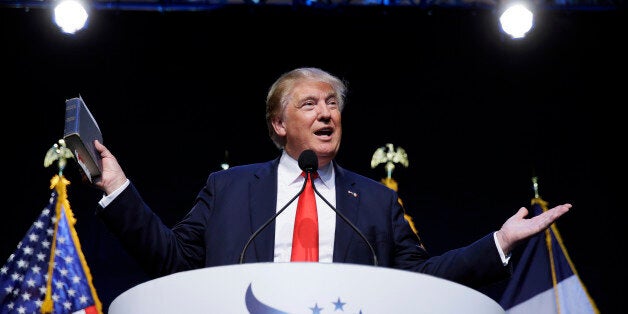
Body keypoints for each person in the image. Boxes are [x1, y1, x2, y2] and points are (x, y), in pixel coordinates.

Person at [91, 67, 570, 290]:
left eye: (333, 104)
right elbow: (173, 262)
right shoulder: (230, 188)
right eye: (309, 104)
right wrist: (118, 190)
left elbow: (419, 282)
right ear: (279, 126)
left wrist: (500, 242)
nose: (326, 114)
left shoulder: (376, 203)